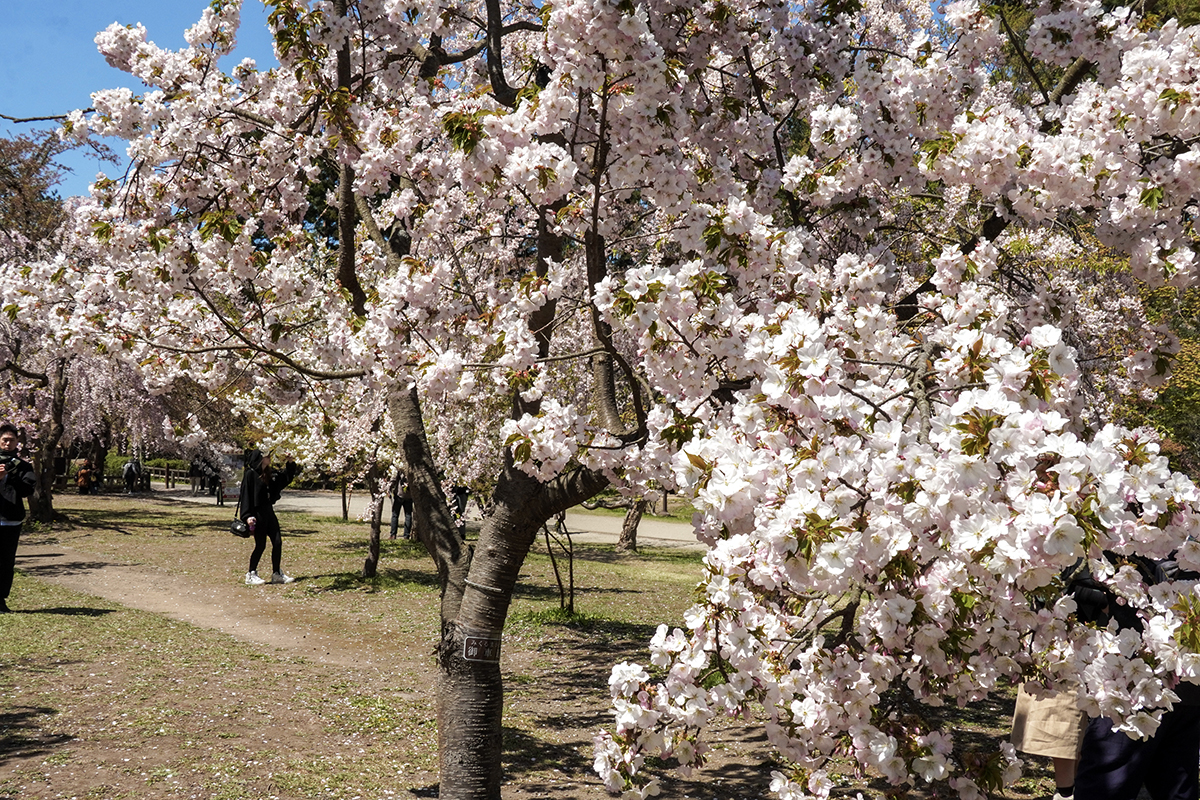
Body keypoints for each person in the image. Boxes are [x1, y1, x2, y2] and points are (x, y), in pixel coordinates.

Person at [238, 448, 301, 585]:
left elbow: (283, 479)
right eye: (267, 456)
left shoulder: (268, 474)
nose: (269, 458)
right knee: (260, 545)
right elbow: (246, 495)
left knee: (277, 542)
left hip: (268, 512)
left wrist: (290, 463)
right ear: (260, 458)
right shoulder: (250, 474)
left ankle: (276, 573)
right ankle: (251, 574)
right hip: (257, 514)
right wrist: (247, 515)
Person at [0, 423, 37, 613]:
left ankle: (0, 599)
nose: (8, 444)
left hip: (10, 519)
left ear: (17, 443)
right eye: (4, 440)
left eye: (11, 440)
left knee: (6, 561)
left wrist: (10, 476)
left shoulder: (23, 466)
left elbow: (27, 490)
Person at [390, 469, 413, 540]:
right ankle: (406, 535)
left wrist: (389, 488)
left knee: (395, 515)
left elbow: (393, 479)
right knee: (408, 515)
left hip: (399, 495)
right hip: (409, 496)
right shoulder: (412, 469)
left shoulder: (400, 468)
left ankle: (393, 534)